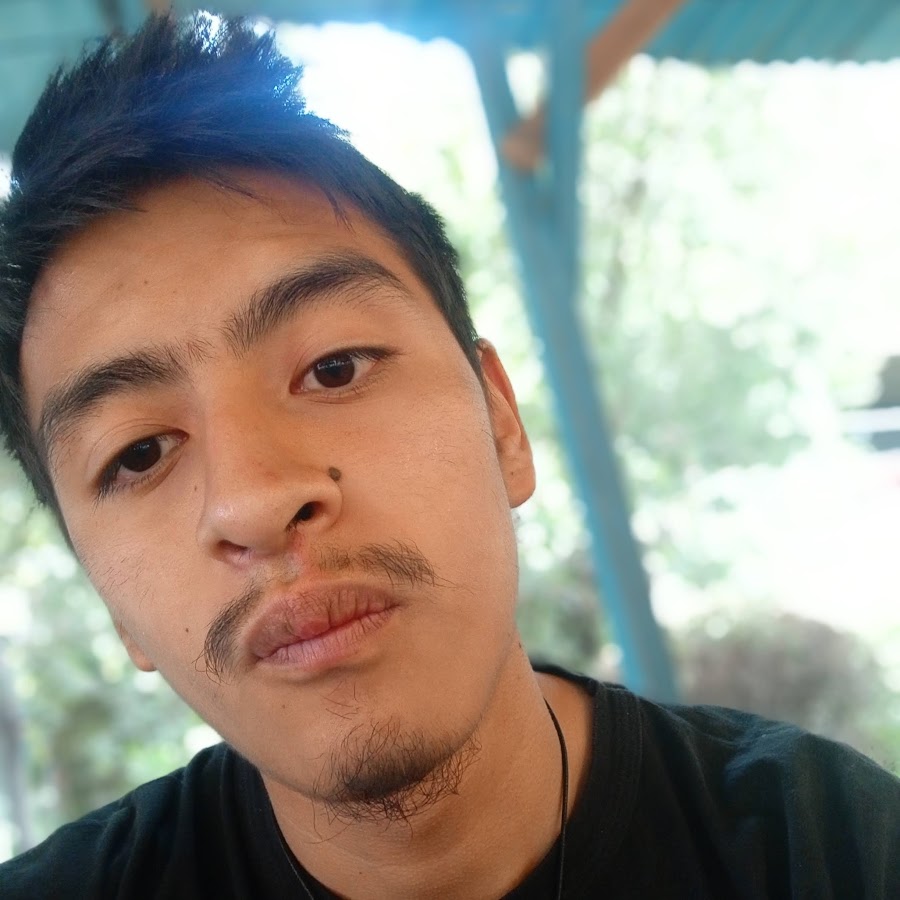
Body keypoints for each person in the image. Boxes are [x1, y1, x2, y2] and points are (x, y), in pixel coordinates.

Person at [0, 14, 897, 900]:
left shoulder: (832, 848)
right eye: (140, 453)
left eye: (335, 368)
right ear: (112, 605)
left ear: (502, 422)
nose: (254, 501)